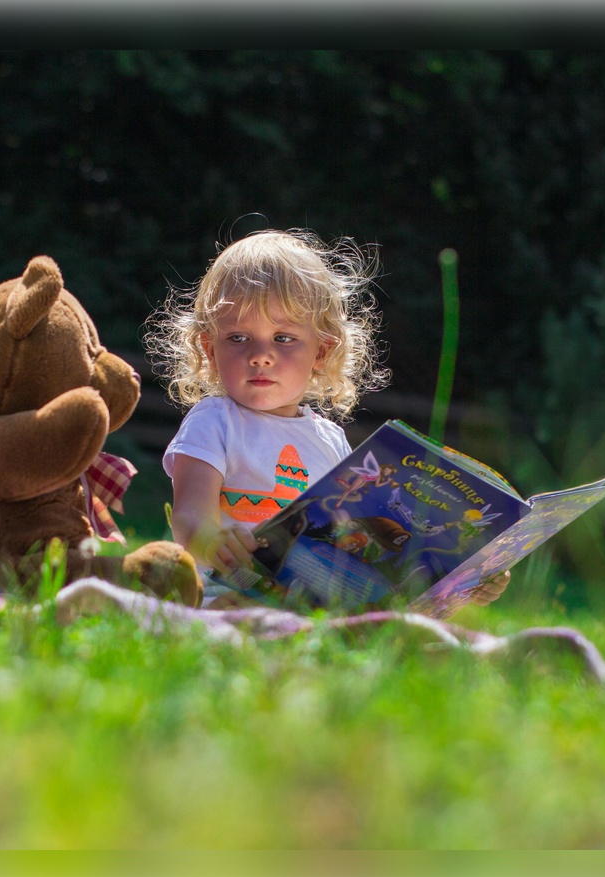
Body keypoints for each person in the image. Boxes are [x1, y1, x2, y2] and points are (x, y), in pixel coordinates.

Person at [147, 228, 511, 608]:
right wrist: (211, 541)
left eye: (283, 338)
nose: (260, 355)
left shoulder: (330, 440)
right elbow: (189, 516)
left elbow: (350, 535)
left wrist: (467, 579)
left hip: (315, 606)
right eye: (238, 337)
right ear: (209, 348)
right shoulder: (214, 421)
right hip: (228, 593)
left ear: (322, 352)